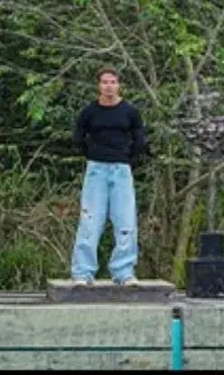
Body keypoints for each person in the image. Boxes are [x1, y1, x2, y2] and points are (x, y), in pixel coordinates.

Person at [69, 68, 148, 287]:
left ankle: (124, 271)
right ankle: (83, 272)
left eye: (113, 82)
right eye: (105, 82)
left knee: (125, 220)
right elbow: (78, 137)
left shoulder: (130, 112)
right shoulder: (89, 112)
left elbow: (139, 139)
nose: (109, 86)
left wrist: (128, 158)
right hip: (96, 169)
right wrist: (92, 154)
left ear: (119, 85)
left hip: (121, 169)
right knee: (90, 220)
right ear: (98, 85)